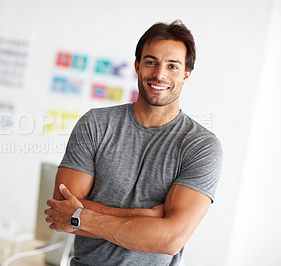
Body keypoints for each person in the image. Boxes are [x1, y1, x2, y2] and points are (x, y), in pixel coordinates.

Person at [45, 19, 223, 266]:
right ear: (137, 66)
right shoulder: (95, 124)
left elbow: (170, 239)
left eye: (172, 66)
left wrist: (82, 216)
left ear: (186, 74)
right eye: (151, 62)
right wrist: (146, 217)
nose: (159, 74)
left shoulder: (200, 146)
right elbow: (61, 213)